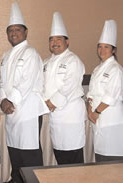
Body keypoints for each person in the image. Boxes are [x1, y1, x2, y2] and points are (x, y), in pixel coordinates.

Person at [0, 2, 49, 183]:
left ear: (25, 32)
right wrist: (3, 99)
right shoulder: (5, 55)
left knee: (30, 154)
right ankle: (16, 180)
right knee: (15, 152)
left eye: (17, 29)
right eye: (10, 30)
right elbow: (2, 82)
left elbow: (26, 82)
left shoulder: (31, 53)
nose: (13, 33)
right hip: (11, 114)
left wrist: (10, 101)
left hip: (27, 112)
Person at [43, 12, 86, 165]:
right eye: (51, 39)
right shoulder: (46, 62)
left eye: (58, 39)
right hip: (55, 117)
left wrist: (52, 102)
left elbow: (70, 84)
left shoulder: (73, 60)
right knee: (60, 155)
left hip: (70, 115)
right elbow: (40, 84)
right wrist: (44, 102)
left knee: (73, 158)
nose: (54, 42)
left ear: (67, 42)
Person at [87, 20, 123, 162]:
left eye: (106, 47)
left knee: (112, 160)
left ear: (113, 49)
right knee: (101, 157)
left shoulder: (116, 69)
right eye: (100, 47)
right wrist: (90, 110)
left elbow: (111, 95)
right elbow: (90, 93)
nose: (102, 50)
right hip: (97, 118)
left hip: (110, 119)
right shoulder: (97, 69)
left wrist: (96, 113)